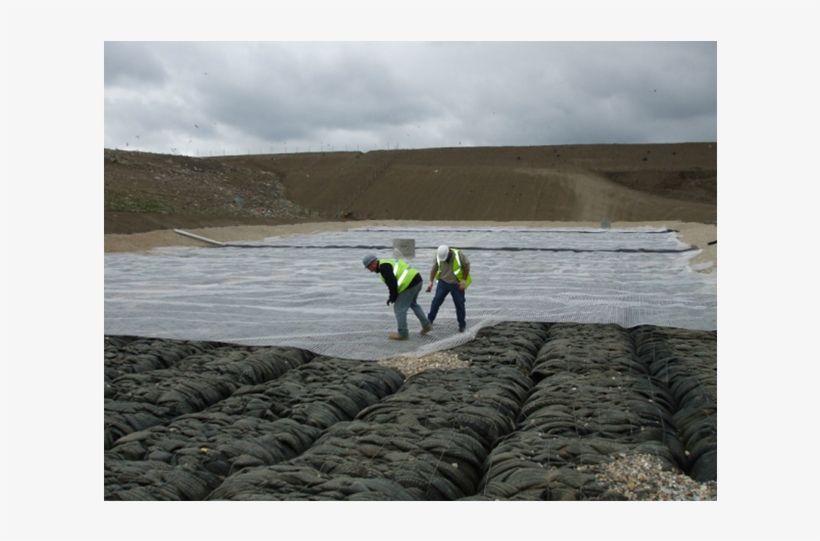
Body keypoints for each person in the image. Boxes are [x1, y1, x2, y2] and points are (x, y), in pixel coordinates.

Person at [363, 254, 433, 341]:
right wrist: (393, 296)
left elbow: (392, 283)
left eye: (368, 267)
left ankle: (403, 334)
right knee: (413, 304)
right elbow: (392, 283)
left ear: (373, 263)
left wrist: (392, 297)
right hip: (417, 280)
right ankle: (427, 326)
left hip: (409, 283)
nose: (370, 270)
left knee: (399, 309)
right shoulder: (386, 263)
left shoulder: (384, 267)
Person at [426, 245, 472, 332]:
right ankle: (429, 321)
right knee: (436, 301)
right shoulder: (438, 255)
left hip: (457, 284)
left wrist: (463, 280)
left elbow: (467, 266)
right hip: (443, 282)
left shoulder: (458, 255)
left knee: (459, 303)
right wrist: (430, 282)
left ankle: (462, 325)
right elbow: (434, 269)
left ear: (449, 253)